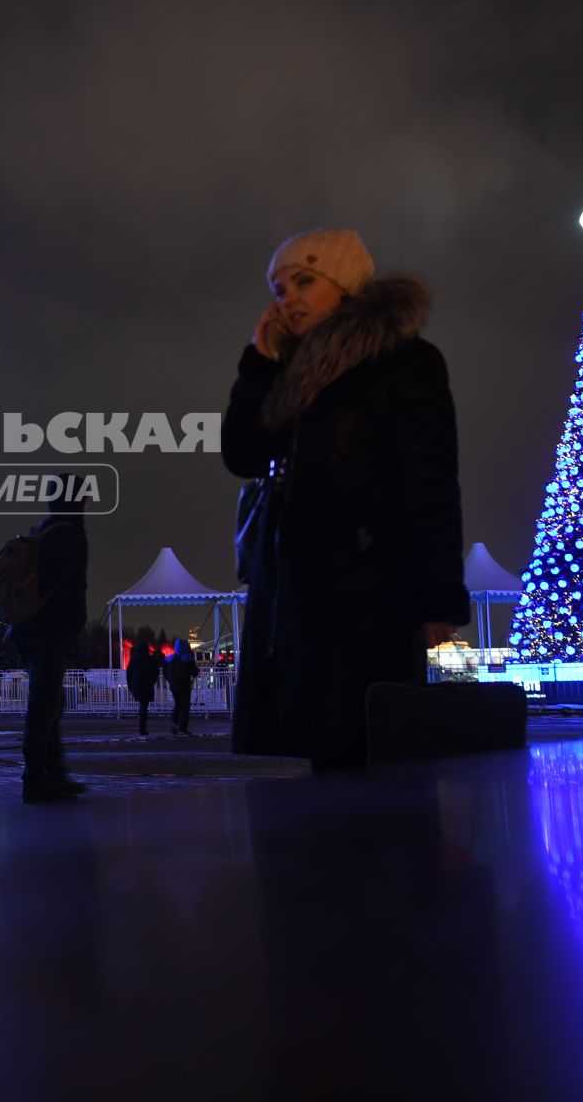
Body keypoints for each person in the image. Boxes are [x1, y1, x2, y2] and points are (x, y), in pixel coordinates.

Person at [224, 229, 468, 769]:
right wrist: (258, 367)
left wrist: (437, 596)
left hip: (371, 582)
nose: (288, 298)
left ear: (346, 284)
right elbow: (242, 455)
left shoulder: (405, 361)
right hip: (293, 583)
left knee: (370, 749)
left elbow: (430, 479)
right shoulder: (290, 373)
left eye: (304, 281)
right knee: (315, 753)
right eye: (279, 288)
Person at [4, 481, 89, 802]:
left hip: (27, 630)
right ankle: (36, 779)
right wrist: (74, 634)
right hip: (49, 632)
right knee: (43, 707)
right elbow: (73, 591)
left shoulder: (43, 532)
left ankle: (53, 773)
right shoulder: (71, 536)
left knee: (49, 704)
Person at [166, 640, 201, 737]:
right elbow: (194, 672)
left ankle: (174, 721)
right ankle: (183, 729)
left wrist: (170, 680)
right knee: (185, 707)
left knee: (178, 704)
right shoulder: (188, 658)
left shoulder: (171, 659)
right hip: (184, 685)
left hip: (174, 686)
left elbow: (166, 672)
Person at [126, 639, 160, 736]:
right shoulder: (149, 659)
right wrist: (152, 681)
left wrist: (130, 685)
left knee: (142, 705)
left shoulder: (134, 658)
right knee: (144, 706)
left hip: (136, 684)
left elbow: (129, 672)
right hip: (146, 684)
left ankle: (142, 725)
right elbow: (156, 671)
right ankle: (142, 727)